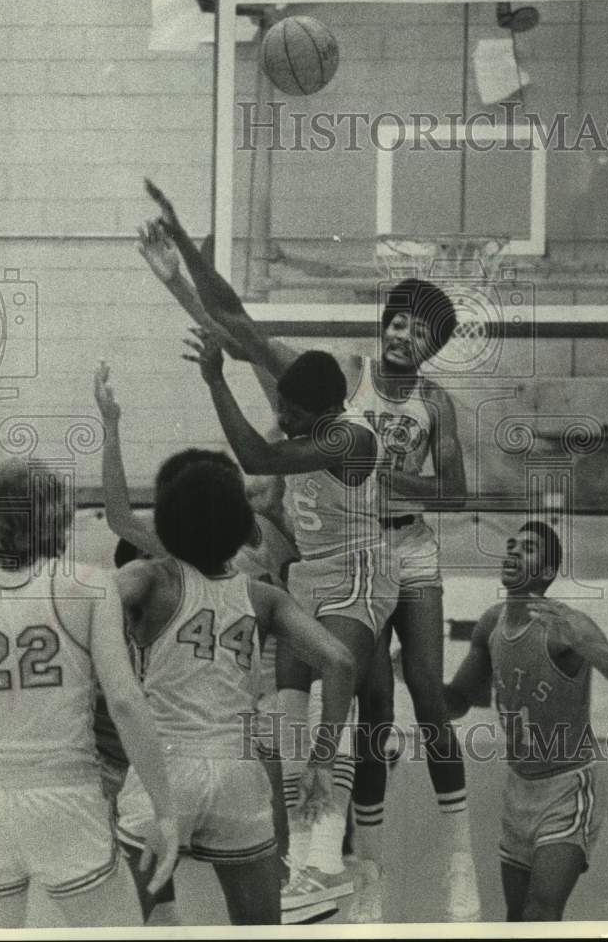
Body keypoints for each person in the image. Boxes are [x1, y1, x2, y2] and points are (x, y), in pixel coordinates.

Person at [139, 180, 480, 922]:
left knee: (413, 696)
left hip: (394, 552)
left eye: (419, 331)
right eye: (397, 322)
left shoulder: (422, 409)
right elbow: (236, 323)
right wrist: (185, 259)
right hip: (332, 557)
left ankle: (441, 861)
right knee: (348, 709)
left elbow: (451, 495)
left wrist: (382, 475)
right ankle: (349, 870)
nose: (403, 336)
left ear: (434, 346)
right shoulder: (339, 380)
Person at [182, 327, 402, 919]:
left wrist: (215, 379)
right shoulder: (308, 428)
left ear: (326, 407)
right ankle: (300, 865)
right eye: (280, 406)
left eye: (292, 411)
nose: (281, 418)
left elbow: (259, 457)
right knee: (288, 720)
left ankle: (325, 861)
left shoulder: (349, 435)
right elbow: (279, 494)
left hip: (357, 571)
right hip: (310, 573)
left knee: (334, 706)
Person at [113, 452, 355, 925]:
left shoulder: (150, 578)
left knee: (119, 925)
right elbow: (340, 662)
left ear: (168, 520)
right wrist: (322, 763)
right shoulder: (263, 596)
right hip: (238, 773)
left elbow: (92, 596)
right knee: (260, 928)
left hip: (166, 765)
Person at [0, 457, 179, 929]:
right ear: (59, 515)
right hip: (64, 797)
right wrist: (165, 810)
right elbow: (125, 702)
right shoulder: (88, 585)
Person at [444, 521, 608, 921]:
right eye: (511, 545)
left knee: (540, 913)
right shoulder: (490, 624)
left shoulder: (568, 625)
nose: (513, 551)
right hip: (518, 789)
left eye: (528, 548)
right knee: (515, 918)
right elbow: (458, 702)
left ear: (547, 571)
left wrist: (583, 644)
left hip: (567, 787)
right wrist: (415, 679)